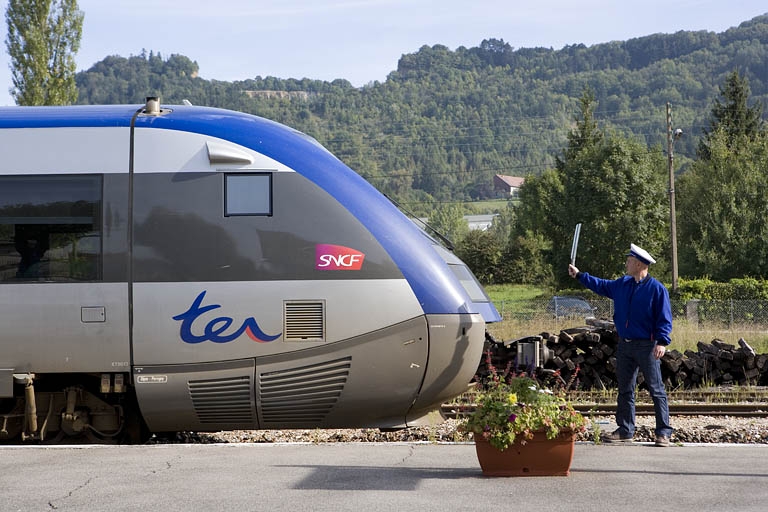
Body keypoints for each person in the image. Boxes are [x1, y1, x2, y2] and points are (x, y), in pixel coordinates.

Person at [568, 243, 673, 447]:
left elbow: (664, 319)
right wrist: (580, 275)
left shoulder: (657, 289)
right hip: (625, 346)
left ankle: (663, 432)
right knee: (625, 389)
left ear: (640, 264)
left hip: (647, 346)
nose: (626, 263)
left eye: (630, 260)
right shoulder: (622, 284)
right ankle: (625, 430)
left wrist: (662, 341)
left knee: (656, 389)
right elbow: (601, 285)